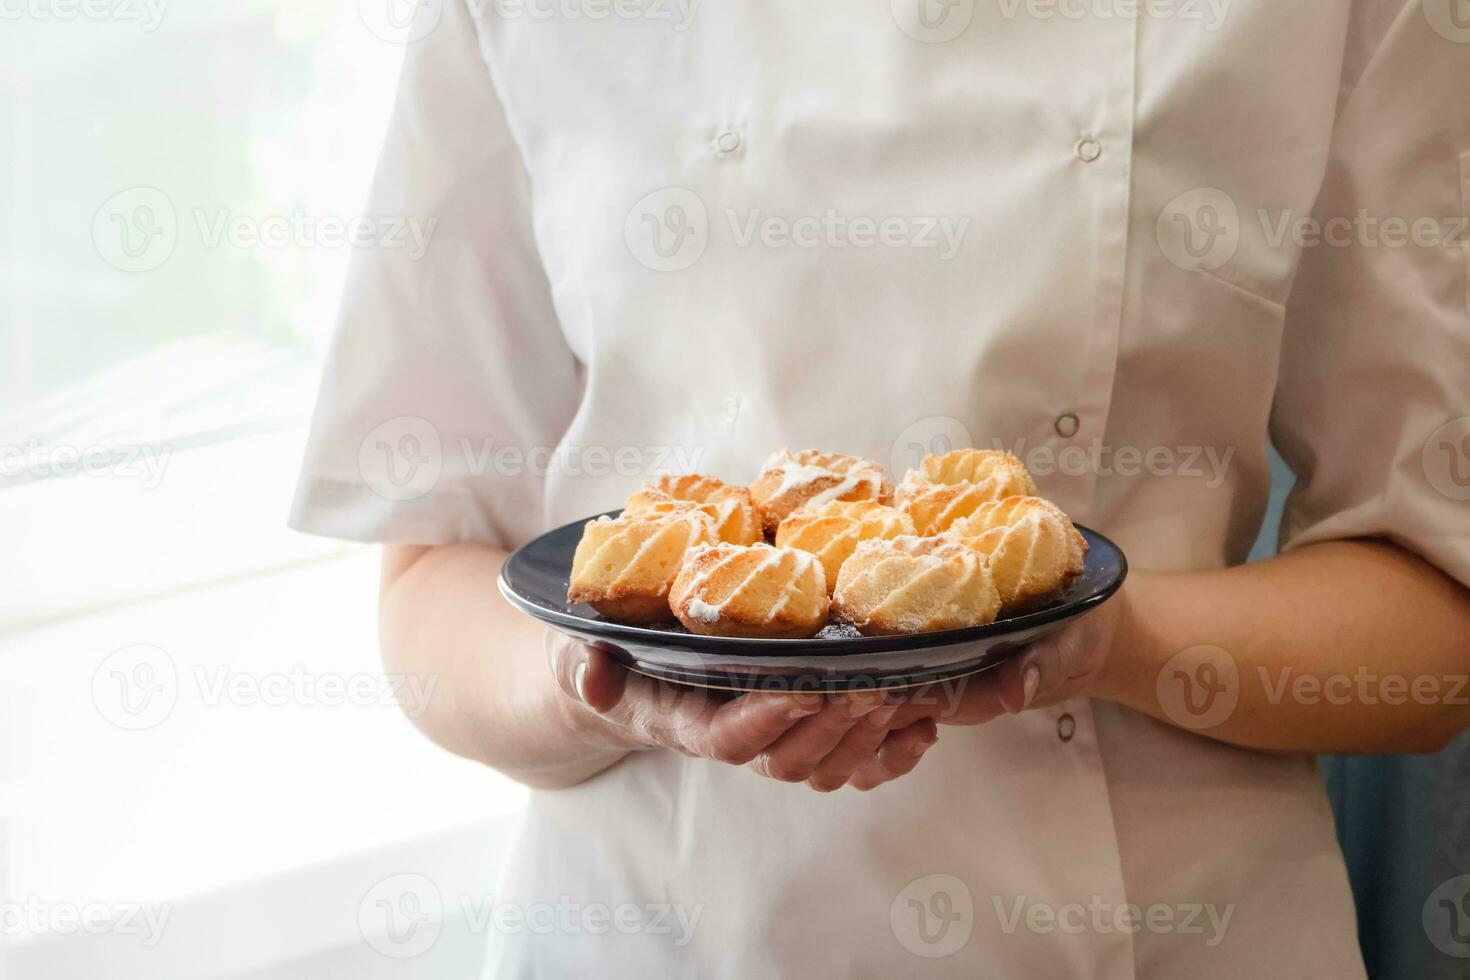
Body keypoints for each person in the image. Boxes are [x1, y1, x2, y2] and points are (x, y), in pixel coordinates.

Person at [292, 1, 1470, 974]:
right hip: (655, 927)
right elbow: (428, 582)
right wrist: (597, 682)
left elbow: (1434, 622)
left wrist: (1115, 639)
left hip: (1171, 924)